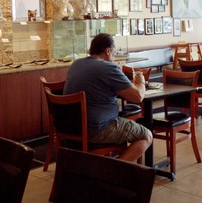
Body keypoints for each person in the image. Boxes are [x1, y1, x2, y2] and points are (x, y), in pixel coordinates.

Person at [63, 33, 152, 162]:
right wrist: (141, 82)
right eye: (114, 53)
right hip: (97, 129)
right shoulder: (107, 67)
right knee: (146, 135)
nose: (114, 57)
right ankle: (111, 171)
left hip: (69, 126)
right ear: (108, 51)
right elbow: (138, 97)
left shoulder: (76, 64)